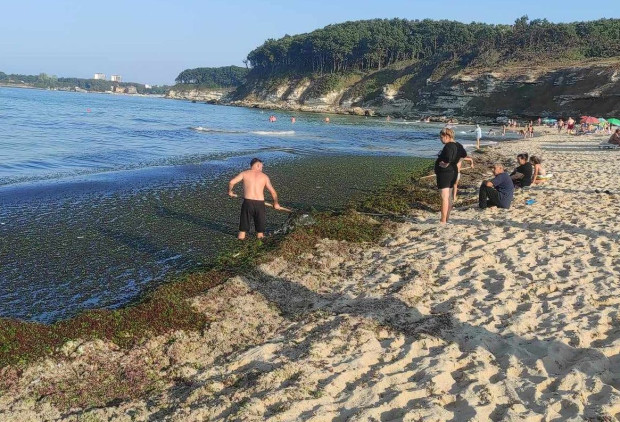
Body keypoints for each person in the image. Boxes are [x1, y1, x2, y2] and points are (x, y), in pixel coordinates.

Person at [228, 158, 281, 240]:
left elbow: (231, 182)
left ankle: (240, 245)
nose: (262, 168)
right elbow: (273, 192)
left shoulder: (244, 173)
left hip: (247, 203)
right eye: (261, 167)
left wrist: (230, 191)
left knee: (242, 230)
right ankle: (259, 245)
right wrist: (276, 203)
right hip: (260, 204)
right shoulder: (264, 176)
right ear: (258, 165)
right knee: (260, 231)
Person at [434, 128, 460, 224]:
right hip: (452, 173)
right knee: (448, 197)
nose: (440, 139)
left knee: (444, 197)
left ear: (447, 136)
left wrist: (446, 163)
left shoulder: (448, 146)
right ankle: (447, 218)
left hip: (445, 174)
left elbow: (449, 157)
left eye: (441, 137)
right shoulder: (456, 145)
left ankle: (443, 220)